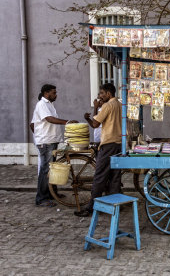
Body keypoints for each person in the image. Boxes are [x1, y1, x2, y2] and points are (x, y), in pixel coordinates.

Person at [74, 83, 122, 217]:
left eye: (101, 93)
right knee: (114, 177)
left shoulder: (108, 105)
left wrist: (88, 117)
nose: (100, 96)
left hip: (108, 144)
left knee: (100, 176)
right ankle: (115, 204)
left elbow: (95, 124)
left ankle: (91, 206)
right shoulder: (119, 104)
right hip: (119, 144)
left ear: (108, 93)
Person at [31, 84, 78, 207]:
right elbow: (49, 119)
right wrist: (66, 122)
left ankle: (52, 193)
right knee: (45, 169)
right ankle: (41, 198)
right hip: (46, 142)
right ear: (46, 93)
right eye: (53, 93)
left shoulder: (49, 105)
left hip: (51, 140)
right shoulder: (42, 104)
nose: (55, 95)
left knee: (52, 169)